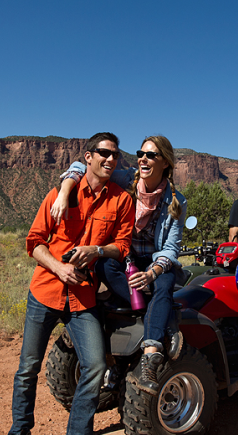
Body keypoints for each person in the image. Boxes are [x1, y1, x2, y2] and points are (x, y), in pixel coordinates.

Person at [8, 132, 134, 435]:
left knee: (95, 365)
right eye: (104, 154)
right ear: (89, 156)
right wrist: (59, 269)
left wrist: (97, 250)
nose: (111, 160)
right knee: (28, 367)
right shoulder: (62, 192)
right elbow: (34, 242)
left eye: (115, 155)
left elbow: (122, 245)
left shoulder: (121, 200)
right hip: (46, 291)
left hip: (83, 298)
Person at [53, 135, 187, 395]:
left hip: (153, 262)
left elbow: (170, 249)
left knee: (165, 281)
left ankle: (149, 357)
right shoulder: (127, 179)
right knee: (103, 266)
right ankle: (165, 319)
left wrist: (151, 273)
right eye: (141, 153)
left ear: (165, 163)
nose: (143, 159)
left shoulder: (176, 201)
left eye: (151, 155)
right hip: (124, 258)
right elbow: (84, 167)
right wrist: (64, 190)